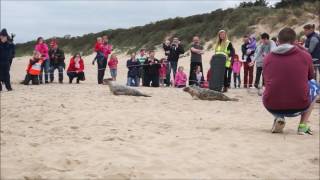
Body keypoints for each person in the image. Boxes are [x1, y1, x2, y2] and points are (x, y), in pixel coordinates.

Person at [263, 27, 317, 135]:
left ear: (278, 41)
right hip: (300, 106)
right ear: (295, 42)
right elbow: (310, 77)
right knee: (315, 85)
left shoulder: (268, 58)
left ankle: (279, 117)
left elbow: (267, 80)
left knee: (268, 86)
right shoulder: (305, 56)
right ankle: (302, 125)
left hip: (272, 106)